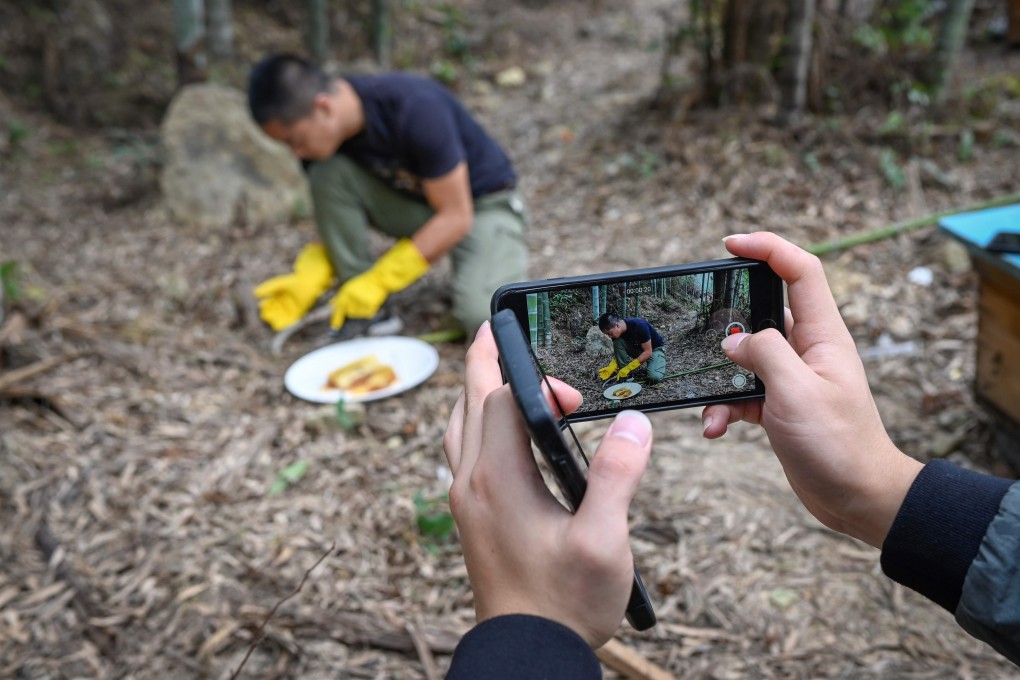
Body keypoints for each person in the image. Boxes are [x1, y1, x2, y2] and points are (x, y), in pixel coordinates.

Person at [442, 231, 1020, 676]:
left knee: (650, 377)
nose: (614, 330)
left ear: (622, 320)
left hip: (659, 354)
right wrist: (875, 491)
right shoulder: (610, 334)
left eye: (615, 327)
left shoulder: (638, 327)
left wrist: (529, 632)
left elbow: (645, 353)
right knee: (622, 377)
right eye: (611, 330)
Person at [246, 54, 528, 336]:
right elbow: (334, 210)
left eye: (294, 140)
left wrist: (381, 280)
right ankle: (363, 309)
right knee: (327, 173)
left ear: (323, 107)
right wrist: (310, 274)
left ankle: (376, 290)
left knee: (487, 319)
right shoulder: (321, 146)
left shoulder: (415, 107)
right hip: (420, 206)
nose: (295, 153)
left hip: (481, 207)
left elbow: (456, 217)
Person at [597, 313, 666, 384]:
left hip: (654, 349)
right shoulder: (616, 335)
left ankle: (658, 362)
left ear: (617, 325)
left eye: (610, 333)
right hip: (637, 349)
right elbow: (619, 351)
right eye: (607, 334)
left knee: (655, 377)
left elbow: (648, 352)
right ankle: (624, 375)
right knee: (617, 342)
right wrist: (612, 366)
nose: (609, 336)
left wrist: (629, 368)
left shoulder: (639, 325)